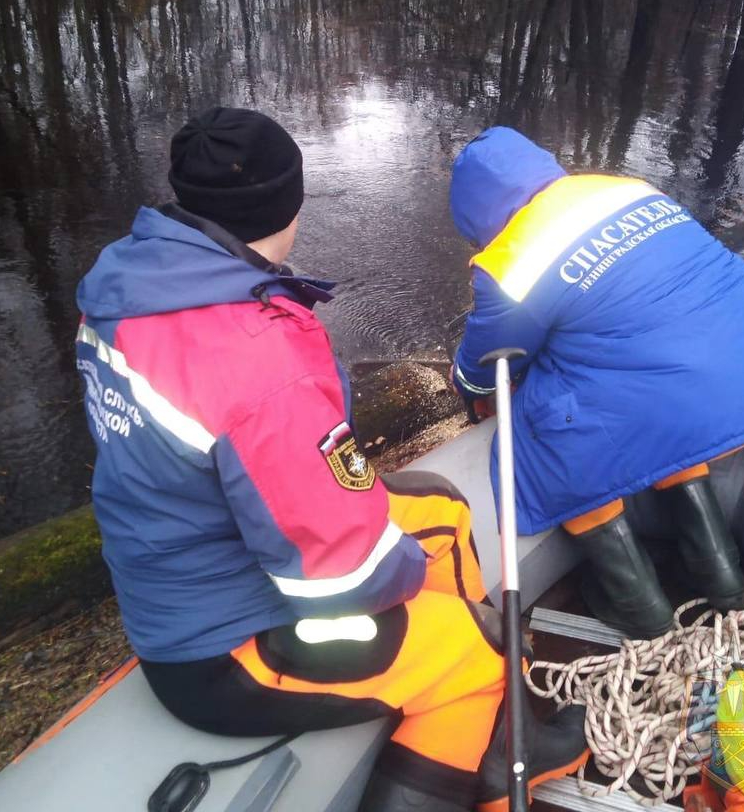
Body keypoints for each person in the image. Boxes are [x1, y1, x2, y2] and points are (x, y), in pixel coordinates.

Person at [74, 108, 587, 812]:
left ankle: (487, 722)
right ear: (290, 204)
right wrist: (403, 570)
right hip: (229, 644)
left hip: (192, 573)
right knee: (477, 647)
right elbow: (340, 573)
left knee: (438, 506)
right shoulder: (259, 362)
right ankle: (477, 707)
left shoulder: (127, 290)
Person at [448, 127, 744, 638]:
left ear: (476, 214)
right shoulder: (628, 189)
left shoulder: (509, 263)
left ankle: (638, 607)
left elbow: (484, 367)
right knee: (639, 381)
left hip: (692, 396)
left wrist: (469, 390)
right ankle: (721, 577)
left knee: (545, 422)